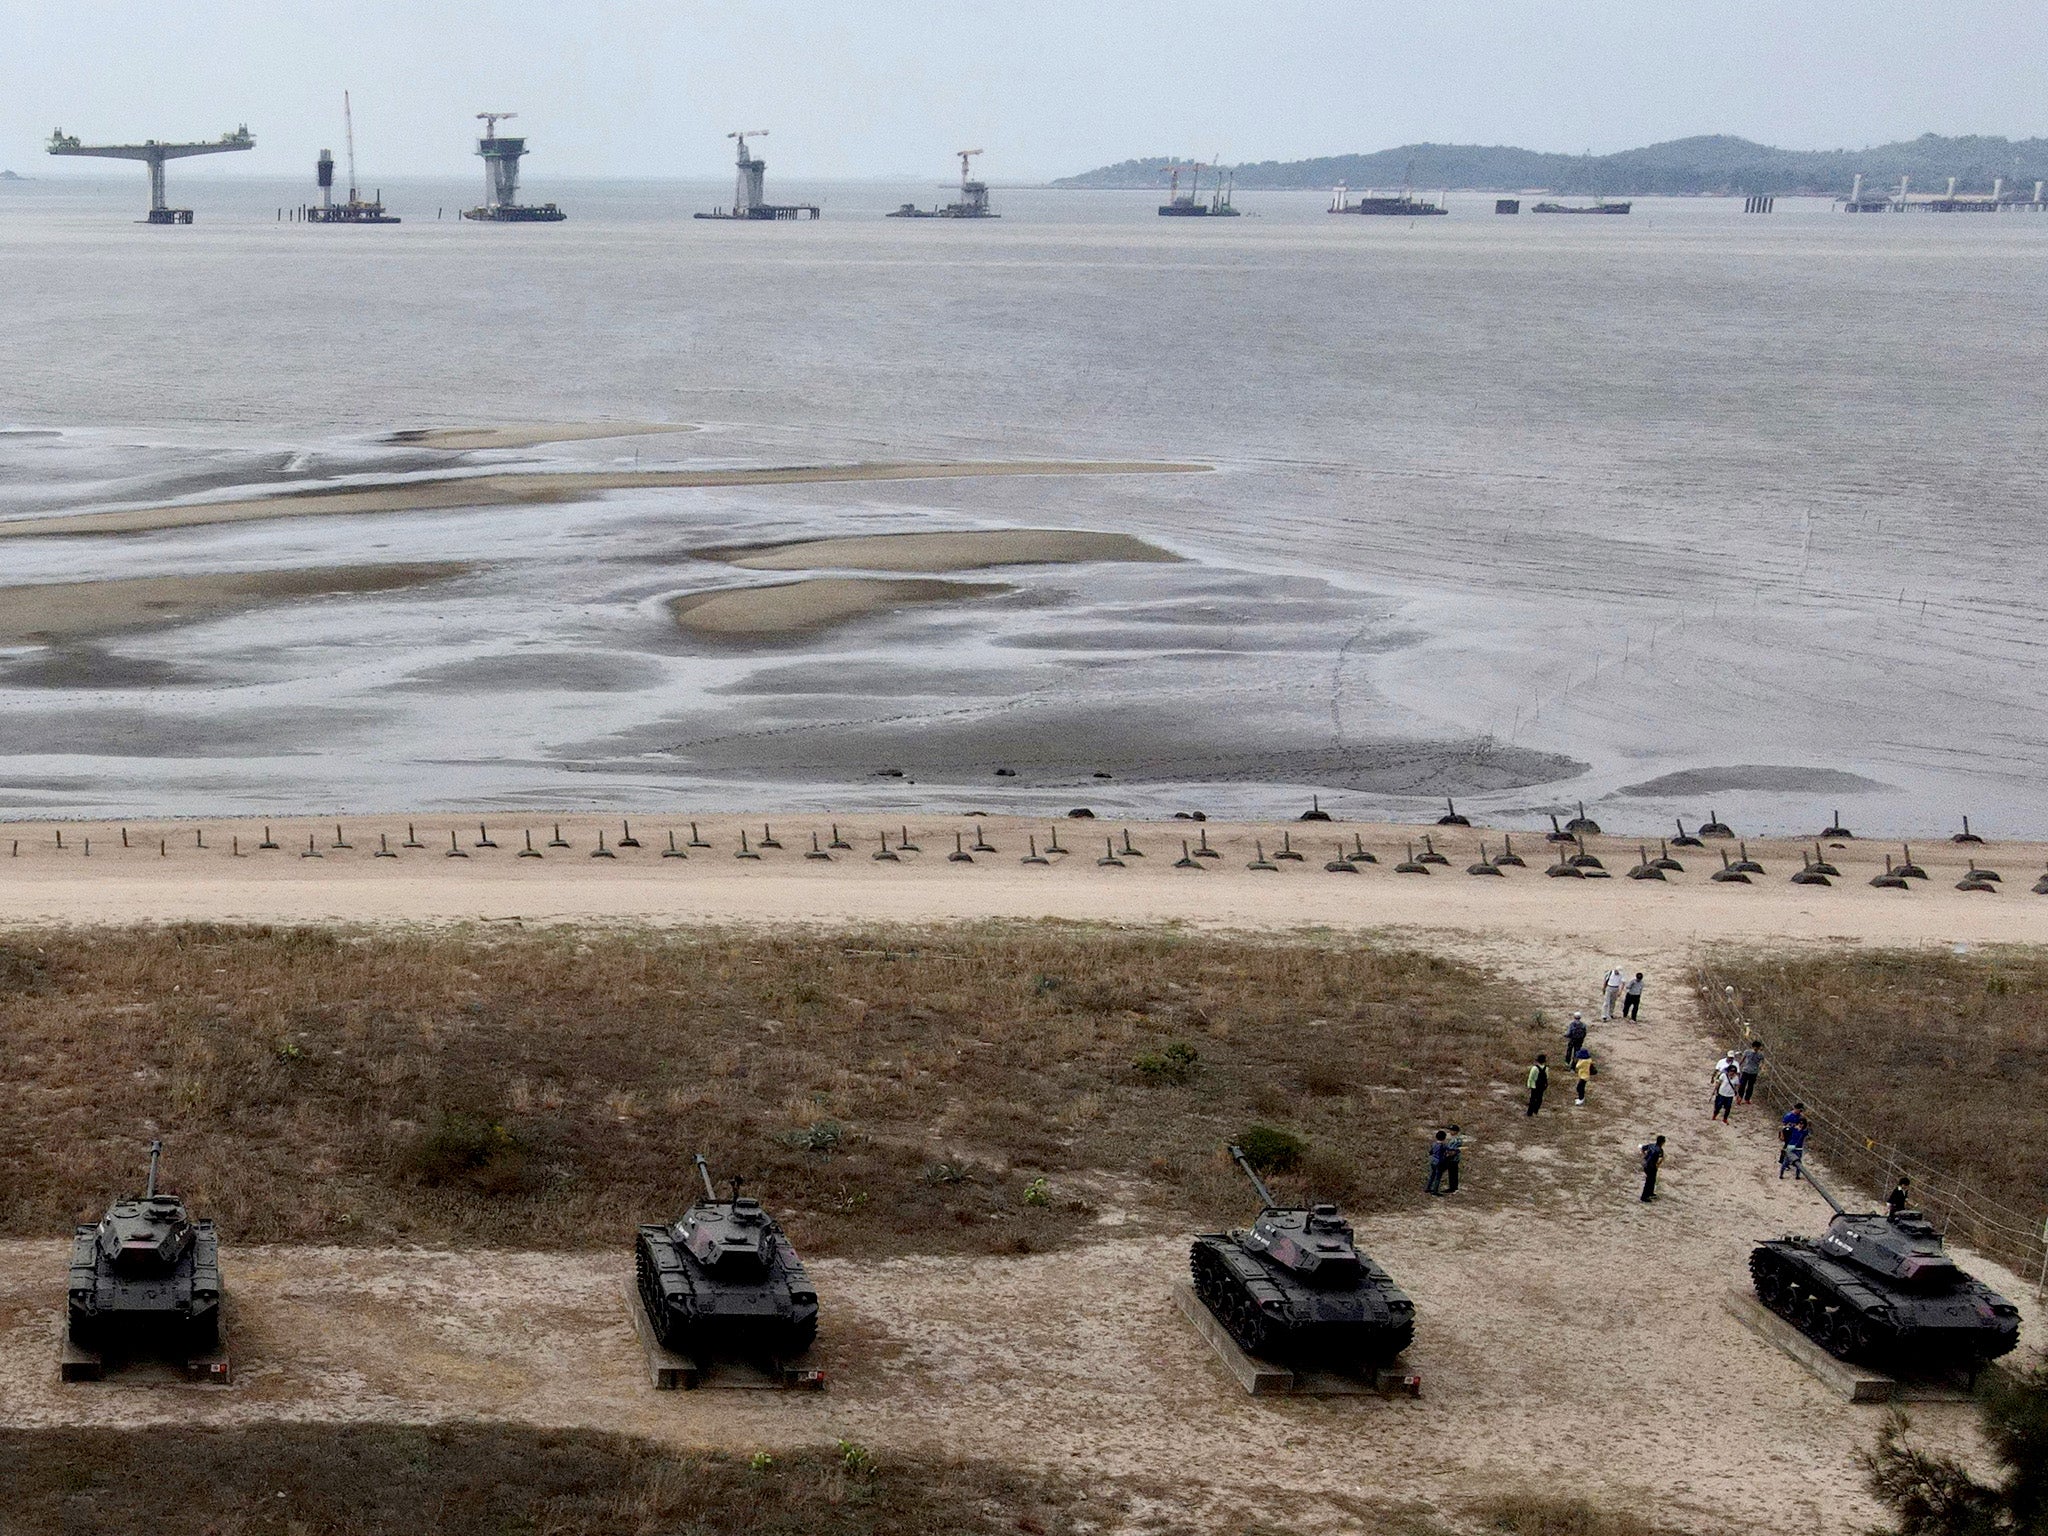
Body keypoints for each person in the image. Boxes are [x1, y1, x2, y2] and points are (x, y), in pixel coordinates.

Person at [1779, 1103, 1809, 1179]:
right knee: (1787, 1146)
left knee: (1788, 1147)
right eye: (1800, 1109)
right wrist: (1782, 1134)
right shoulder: (1788, 1116)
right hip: (1788, 1132)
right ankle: (1782, 1161)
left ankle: (1788, 1163)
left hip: (1793, 1135)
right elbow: (1783, 1125)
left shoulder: (1799, 1117)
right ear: (1796, 1108)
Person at [1639, 1135, 1666, 1201]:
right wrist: (1658, 1165)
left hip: (1646, 1165)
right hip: (1652, 1167)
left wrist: (1645, 1156)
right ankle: (1644, 1197)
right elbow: (1660, 1159)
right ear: (1662, 1142)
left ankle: (1650, 1193)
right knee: (1649, 1181)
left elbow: (1642, 1148)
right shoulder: (1660, 1150)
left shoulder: (1651, 1145)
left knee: (1652, 1180)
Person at [1426, 1130, 1449, 1195]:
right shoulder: (1443, 1146)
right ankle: (1435, 1190)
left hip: (1433, 1160)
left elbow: (1430, 1152)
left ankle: (1428, 1188)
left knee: (1432, 1175)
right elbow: (1448, 1152)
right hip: (1439, 1162)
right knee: (1438, 1176)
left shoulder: (1434, 1144)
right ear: (1444, 1138)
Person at [1445, 1124, 1466, 1193]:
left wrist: (1447, 1154)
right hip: (1452, 1158)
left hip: (1453, 1158)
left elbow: (1454, 1150)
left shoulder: (1457, 1140)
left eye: (1452, 1130)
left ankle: (1453, 1187)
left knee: (1453, 1173)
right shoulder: (1453, 1139)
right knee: (1452, 1173)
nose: (1450, 1132)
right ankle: (1452, 1187)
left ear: (1456, 1131)